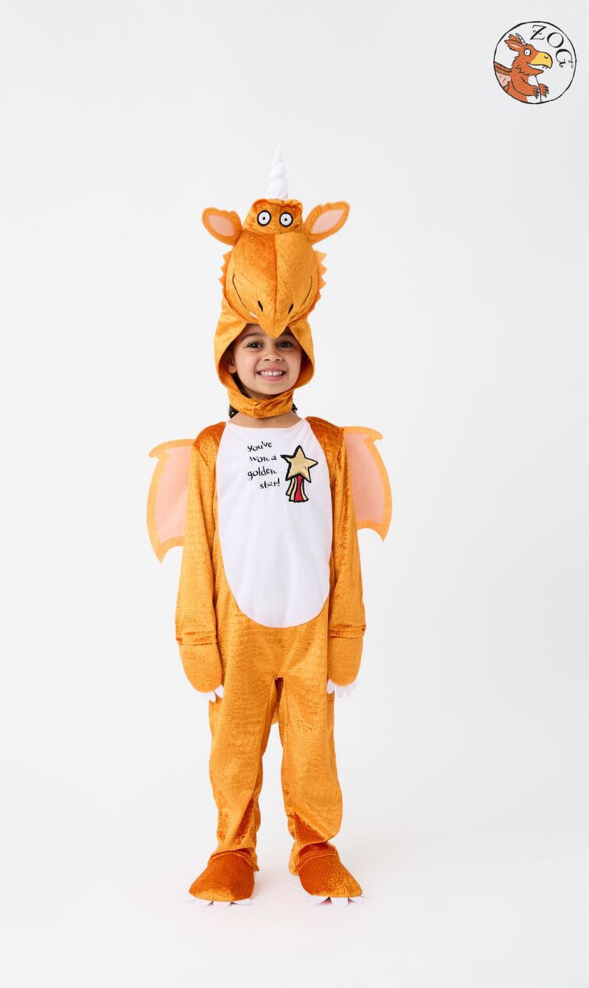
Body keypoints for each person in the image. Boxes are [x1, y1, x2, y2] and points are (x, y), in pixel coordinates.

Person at [175, 190, 372, 905]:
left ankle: (315, 844)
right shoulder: (211, 447)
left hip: (310, 626)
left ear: (305, 354)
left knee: (313, 745)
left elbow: (343, 545)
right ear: (229, 355)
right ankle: (233, 848)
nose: (271, 356)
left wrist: (345, 634)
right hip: (239, 631)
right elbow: (199, 550)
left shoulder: (327, 443)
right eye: (255, 343)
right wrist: (200, 641)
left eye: (285, 343)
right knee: (233, 747)